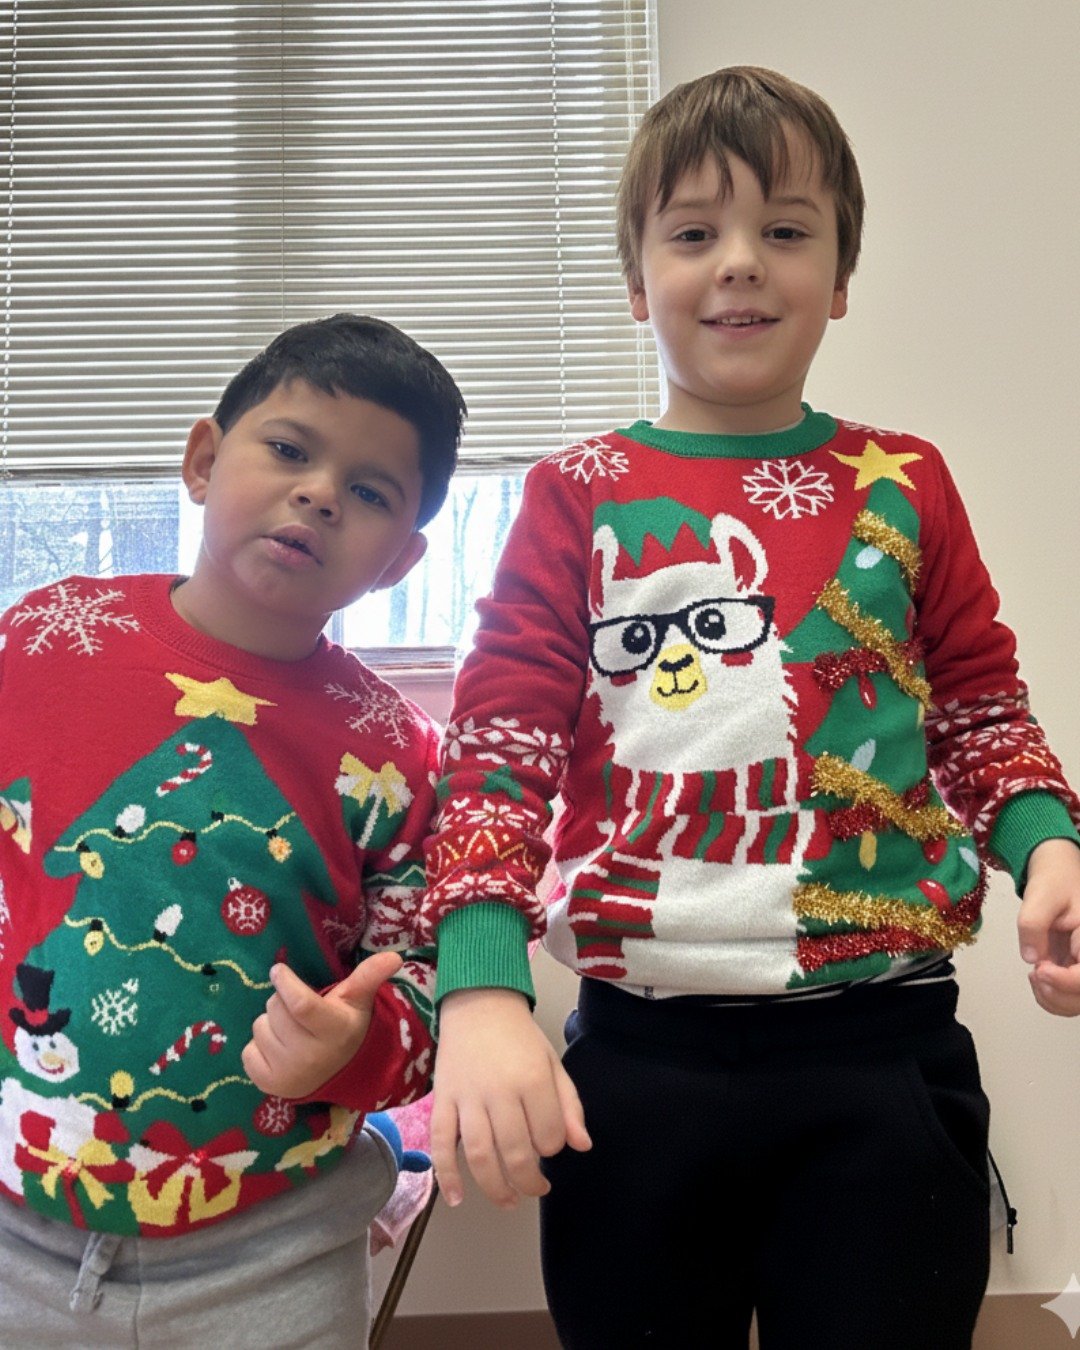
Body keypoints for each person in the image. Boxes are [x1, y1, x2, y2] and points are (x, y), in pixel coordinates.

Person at [423, 66, 1080, 1348]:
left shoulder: (908, 482)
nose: (739, 264)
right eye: (693, 233)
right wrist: (481, 991)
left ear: (839, 281)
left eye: (785, 230)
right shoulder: (577, 494)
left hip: (885, 1052)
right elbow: (496, 755)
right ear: (636, 283)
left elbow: (981, 706)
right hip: (635, 1066)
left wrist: (1047, 842)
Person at [0, 313, 466, 1347]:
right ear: (205, 459)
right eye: (290, 450)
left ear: (400, 560)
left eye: (371, 492)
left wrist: (353, 1050)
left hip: (278, 1247)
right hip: (16, 1221)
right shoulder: (41, 639)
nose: (319, 493)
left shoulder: (396, 752)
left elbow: (431, 981)